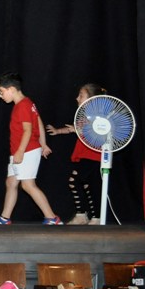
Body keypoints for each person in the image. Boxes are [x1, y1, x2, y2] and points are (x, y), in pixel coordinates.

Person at [0, 72, 62, 225]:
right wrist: (43, 143)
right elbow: (39, 122)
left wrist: (21, 151)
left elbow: (28, 130)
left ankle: (52, 217)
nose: (0, 96)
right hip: (20, 151)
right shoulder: (28, 103)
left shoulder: (22, 106)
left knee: (28, 185)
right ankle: (4, 218)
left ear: (11, 89)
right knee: (11, 182)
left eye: (1, 92)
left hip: (26, 151)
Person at [47, 83, 106, 225]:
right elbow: (73, 129)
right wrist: (58, 131)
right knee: (87, 185)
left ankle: (87, 215)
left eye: (81, 95)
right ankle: (90, 216)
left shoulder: (100, 117)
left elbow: (99, 135)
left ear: (91, 98)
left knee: (74, 181)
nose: (77, 98)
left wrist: (79, 130)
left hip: (93, 156)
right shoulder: (85, 115)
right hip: (85, 155)